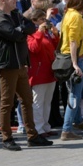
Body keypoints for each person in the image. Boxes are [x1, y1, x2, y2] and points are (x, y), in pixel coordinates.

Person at [0, 0, 53, 150]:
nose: (15, 0)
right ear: (2, 0)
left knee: (27, 100)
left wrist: (22, 29)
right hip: (7, 65)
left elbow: (30, 27)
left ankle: (33, 135)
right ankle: (7, 137)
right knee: (7, 102)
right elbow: (15, 35)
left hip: (21, 64)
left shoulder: (15, 14)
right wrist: (22, 30)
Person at [59, 0, 83, 141]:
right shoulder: (76, 17)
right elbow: (72, 41)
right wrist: (75, 63)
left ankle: (77, 121)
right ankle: (66, 129)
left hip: (72, 57)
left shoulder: (68, 14)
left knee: (76, 91)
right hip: (73, 59)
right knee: (74, 95)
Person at [26, 8, 59, 137]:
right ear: (34, 21)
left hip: (50, 71)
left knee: (47, 102)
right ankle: (38, 129)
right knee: (38, 102)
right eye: (41, 20)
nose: (43, 22)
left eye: (44, 19)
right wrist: (39, 32)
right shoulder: (30, 33)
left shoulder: (46, 33)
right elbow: (33, 48)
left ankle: (45, 126)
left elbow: (55, 47)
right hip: (38, 72)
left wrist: (55, 35)